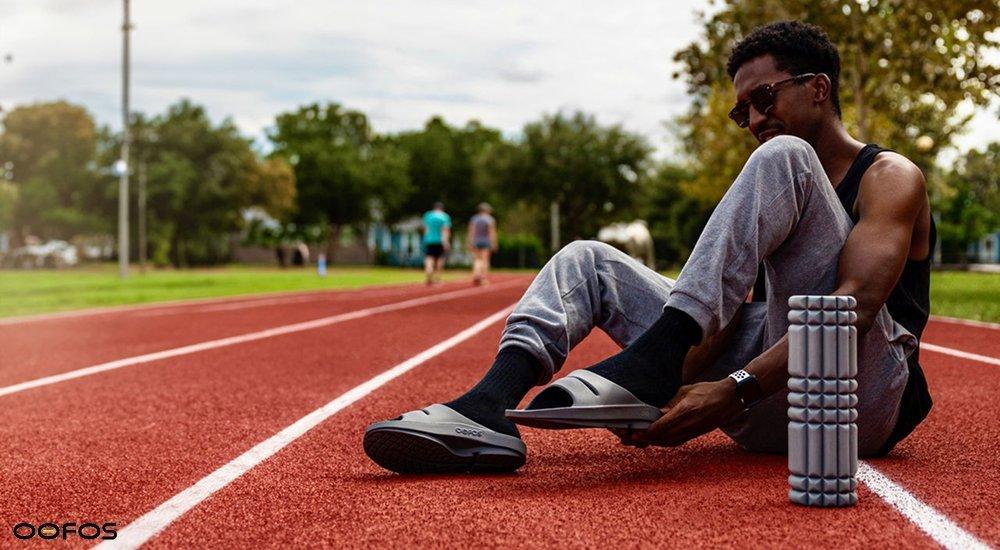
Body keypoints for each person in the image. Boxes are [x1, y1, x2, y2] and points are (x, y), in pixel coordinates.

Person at [365, 21, 934, 474]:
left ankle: (654, 361)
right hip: (770, 406)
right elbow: (726, 320)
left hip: (858, 404)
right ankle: (487, 407)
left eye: (763, 98)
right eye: (743, 112)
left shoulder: (889, 176)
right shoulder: (774, 187)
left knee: (783, 157)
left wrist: (730, 393)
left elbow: (854, 307)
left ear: (818, 87)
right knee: (588, 259)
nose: (755, 119)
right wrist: (673, 391)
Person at [467, 203, 498, 285]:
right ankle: (483, 277)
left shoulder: (474, 219)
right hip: (486, 241)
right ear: (487, 210)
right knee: (485, 260)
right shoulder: (490, 219)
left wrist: (470, 242)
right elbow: (492, 232)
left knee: (477, 259)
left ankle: (476, 275)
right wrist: (494, 243)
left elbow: (471, 231)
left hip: (476, 241)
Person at [421, 202, 451, 285]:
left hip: (429, 240)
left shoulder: (428, 215)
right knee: (440, 259)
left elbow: (425, 228)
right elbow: (445, 230)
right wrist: (446, 242)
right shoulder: (445, 217)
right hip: (440, 241)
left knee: (429, 258)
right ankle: (438, 278)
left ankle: (429, 272)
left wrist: (426, 238)